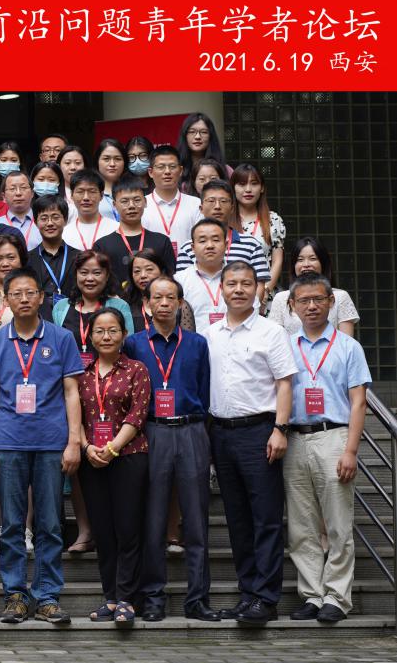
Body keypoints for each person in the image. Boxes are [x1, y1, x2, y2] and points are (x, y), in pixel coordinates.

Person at [0, 267, 83, 625]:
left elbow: (71, 392)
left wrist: (74, 440)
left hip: (51, 442)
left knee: (50, 523)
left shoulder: (61, 338)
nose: (23, 299)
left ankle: (47, 595)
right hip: (8, 441)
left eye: (30, 293)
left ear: (41, 297)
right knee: (11, 524)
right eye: (16, 293)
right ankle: (15, 595)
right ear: (6, 299)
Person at [203, 261, 297, 626]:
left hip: (260, 432)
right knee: (237, 519)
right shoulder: (210, 334)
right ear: (221, 289)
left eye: (246, 283)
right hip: (221, 434)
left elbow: (284, 383)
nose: (239, 290)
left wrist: (280, 429)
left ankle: (267, 598)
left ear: (257, 289)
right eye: (232, 284)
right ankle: (248, 594)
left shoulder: (271, 332)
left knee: (266, 518)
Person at [125, 275, 217, 622]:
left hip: (191, 428)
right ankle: (153, 597)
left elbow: (204, 390)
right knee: (153, 519)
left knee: (196, 519)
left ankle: (198, 598)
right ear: (147, 305)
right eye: (157, 298)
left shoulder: (197, 344)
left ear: (180, 304)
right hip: (151, 431)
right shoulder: (134, 344)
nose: (164, 304)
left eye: (170, 298)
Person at [283, 272, 370, 623]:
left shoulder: (348, 347)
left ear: (331, 302)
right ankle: (312, 594)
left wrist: (351, 450)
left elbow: (359, 402)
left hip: (334, 436)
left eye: (318, 299)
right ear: (292, 306)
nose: (311, 306)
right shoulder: (285, 345)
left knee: (337, 523)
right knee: (300, 525)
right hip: (294, 438)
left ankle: (336, 596)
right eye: (304, 300)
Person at [75, 308, 152, 627]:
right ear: (90, 337)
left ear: (123, 334)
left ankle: (127, 599)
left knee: (128, 529)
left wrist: (112, 448)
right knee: (103, 531)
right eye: (100, 331)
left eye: (112, 331)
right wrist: (86, 447)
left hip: (129, 455)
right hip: (91, 459)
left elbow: (138, 414)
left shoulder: (136, 369)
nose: (106, 337)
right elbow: (75, 416)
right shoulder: (81, 373)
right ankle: (110, 596)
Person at [174, 181, 271, 301]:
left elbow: (259, 284)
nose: (217, 206)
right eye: (211, 201)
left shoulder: (251, 245)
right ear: (201, 208)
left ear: (232, 208)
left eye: (223, 201)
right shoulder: (188, 247)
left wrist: (249, 309)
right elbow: (181, 287)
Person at [52, 251, 137, 367]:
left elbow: (128, 346)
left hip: (111, 374)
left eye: (97, 273)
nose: (90, 278)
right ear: (76, 275)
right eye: (84, 272)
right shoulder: (61, 307)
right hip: (70, 374)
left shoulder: (119, 306)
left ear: (107, 276)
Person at [95, 175, 176, 295]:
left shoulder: (162, 242)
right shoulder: (102, 246)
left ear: (145, 202)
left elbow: (170, 281)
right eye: (124, 201)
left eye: (137, 200)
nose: (131, 206)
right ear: (114, 205)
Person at [268, 238, 359, 337]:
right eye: (300, 260)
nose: (306, 264)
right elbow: (275, 340)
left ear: (323, 263)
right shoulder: (281, 298)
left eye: (312, 259)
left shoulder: (340, 297)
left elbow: (347, 341)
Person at [231, 164, 287, 295]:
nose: (248, 189)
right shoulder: (225, 219)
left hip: (265, 294)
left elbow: (277, 261)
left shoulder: (273, 219)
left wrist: (265, 291)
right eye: (242, 184)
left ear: (262, 188)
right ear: (233, 187)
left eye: (254, 183)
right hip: (232, 293)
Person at [139, 144, 203, 259]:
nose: (167, 171)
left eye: (172, 166)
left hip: (189, 266)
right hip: (152, 267)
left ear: (181, 170)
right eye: (161, 167)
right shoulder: (141, 205)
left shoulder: (195, 204)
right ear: (150, 172)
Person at [174, 218, 235, 327]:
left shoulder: (239, 279)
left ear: (226, 245)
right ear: (193, 247)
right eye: (202, 241)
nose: (210, 246)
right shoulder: (179, 281)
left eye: (216, 240)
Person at [128, 250, 197, 333]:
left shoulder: (180, 305)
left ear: (161, 271)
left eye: (149, 269)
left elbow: (190, 339)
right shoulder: (126, 305)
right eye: (137, 271)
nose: (143, 275)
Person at [26, 194, 75, 310]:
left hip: (71, 316)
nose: (50, 223)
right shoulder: (27, 259)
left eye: (55, 217)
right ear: (35, 222)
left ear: (65, 220)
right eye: (44, 218)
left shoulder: (78, 257)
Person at [62, 170, 118, 252]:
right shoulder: (64, 234)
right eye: (80, 192)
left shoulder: (116, 229)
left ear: (101, 195)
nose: (86, 198)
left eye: (92, 191)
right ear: (71, 195)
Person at [177, 113, 230, 189]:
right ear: (185, 136)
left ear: (211, 136)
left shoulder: (226, 170)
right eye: (192, 132)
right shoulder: (176, 169)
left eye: (203, 132)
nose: (197, 137)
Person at [0, 172, 40, 250]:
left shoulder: (44, 222)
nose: (18, 193)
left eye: (23, 188)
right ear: (4, 196)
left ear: (32, 193)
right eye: (12, 189)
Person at [93, 139, 126, 222]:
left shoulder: (133, 188)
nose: (112, 164)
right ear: (97, 161)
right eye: (106, 159)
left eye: (117, 159)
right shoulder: (90, 190)